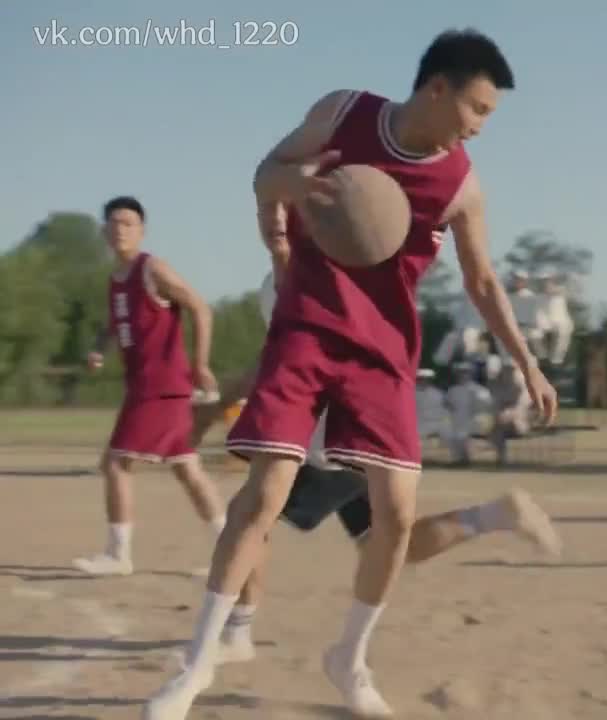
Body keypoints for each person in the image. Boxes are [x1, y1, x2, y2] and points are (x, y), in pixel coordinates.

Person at [145, 30, 557, 719]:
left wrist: (527, 360)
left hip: (384, 353)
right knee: (262, 497)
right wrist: (289, 192)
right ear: (437, 89)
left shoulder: (460, 185)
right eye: (478, 109)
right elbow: (267, 172)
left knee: (395, 516)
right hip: (307, 329)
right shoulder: (343, 114)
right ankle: (195, 667)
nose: (481, 126)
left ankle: (349, 659)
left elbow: (483, 281)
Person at [183, 269, 562, 668]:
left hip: (329, 435)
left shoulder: (304, 274)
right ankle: (494, 515)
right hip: (365, 431)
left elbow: (280, 359)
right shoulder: (348, 268)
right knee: (388, 546)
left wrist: (211, 411)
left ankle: (237, 633)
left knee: (249, 521)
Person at [74, 196, 226, 577]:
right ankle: (230, 550)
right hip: (144, 388)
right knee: (187, 469)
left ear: (142, 231)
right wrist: (99, 348)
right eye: (114, 223)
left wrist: (200, 364)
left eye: (128, 223)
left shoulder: (152, 269)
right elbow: (114, 322)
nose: (120, 229)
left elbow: (200, 307)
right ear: (104, 231)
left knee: (116, 464)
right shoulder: (116, 279)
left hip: (161, 387)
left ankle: (118, 555)